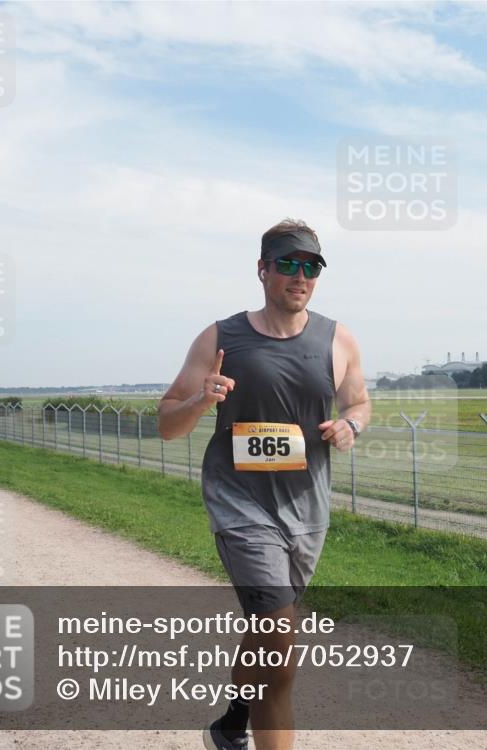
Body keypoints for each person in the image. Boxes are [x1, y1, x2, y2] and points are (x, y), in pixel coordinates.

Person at [158, 219, 370, 750]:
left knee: (268, 632)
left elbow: (359, 402)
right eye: (288, 264)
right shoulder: (222, 337)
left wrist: (351, 426)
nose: (300, 276)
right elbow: (167, 424)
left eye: (311, 267)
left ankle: (233, 717)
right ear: (262, 269)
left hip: (307, 510)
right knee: (281, 641)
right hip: (241, 506)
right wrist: (203, 399)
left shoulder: (337, 338)